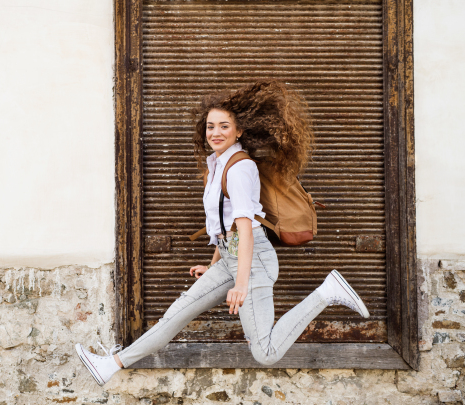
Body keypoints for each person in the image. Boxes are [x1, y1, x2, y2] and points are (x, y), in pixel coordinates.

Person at [75, 80, 370, 387]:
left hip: (253, 264)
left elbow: (245, 226)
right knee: (175, 316)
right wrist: (214, 265)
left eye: (224, 126)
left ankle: (327, 292)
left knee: (265, 353)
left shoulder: (240, 168)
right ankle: (111, 365)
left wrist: (240, 283)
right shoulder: (217, 164)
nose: (215, 133)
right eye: (210, 126)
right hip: (232, 259)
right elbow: (224, 227)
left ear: (239, 130)